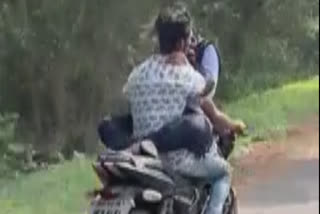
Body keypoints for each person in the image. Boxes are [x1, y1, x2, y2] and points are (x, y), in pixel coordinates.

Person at [121, 3, 244, 214]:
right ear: (181, 42)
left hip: (140, 157)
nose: (191, 44)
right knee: (223, 173)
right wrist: (236, 125)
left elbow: (131, 100)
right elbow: (214, 117)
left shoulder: (137, 75)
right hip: (176, 161)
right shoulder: (189, 77)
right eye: (189, 39)